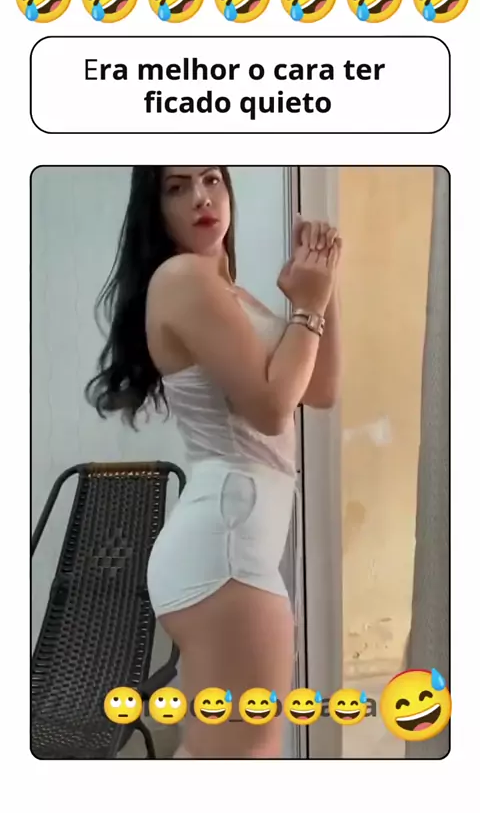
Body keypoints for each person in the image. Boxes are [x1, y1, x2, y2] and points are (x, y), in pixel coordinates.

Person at [86, 165, 342, 758]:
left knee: (221, 752)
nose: (201, 197)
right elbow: (272, 409)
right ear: (155, 209)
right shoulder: (183, 278)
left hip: (229, 547)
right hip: (225, 551)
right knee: (243, 755)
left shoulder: (231, 293)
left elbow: (319, 388)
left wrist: (323, 289)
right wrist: (308, 305)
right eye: (177, 188)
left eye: (211, 180)